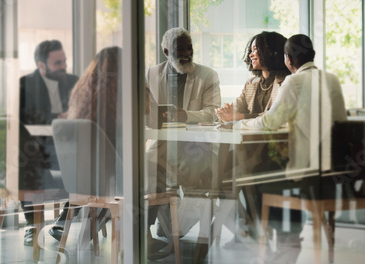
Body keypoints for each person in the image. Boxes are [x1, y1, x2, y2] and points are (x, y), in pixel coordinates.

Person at [218, 34, 347, 262]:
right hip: (331, 166)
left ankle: (282, 239)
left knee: (255, 176)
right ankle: (273, 237)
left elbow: (269, 122)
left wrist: (238, 123)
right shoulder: (332, 79)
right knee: (252, 171)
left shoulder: (292, 81)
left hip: (303, 167)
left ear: (288, 60)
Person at [145, 27, 221, 241]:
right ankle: (148, 230)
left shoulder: (207, 75)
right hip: (163, 143)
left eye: (190, 48)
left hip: (197, 146)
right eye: (180, 50)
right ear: (166, 52)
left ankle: (161, 225)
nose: (187, 53)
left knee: (157, 166)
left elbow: (214, 114)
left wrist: (185, 115)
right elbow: (143, 110)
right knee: (148, 167)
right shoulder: (151, 73)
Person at [19, 40, 78, 246]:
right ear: (41, 65)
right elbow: (24, 125)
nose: (63, 66)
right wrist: (57, 121)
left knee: (93, 167)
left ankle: (61, 222)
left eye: (64, 61)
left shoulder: (74, 82)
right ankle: (31, 226)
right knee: (25, 161)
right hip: (38, 151)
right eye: (57, 63)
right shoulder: (25, 85)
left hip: (70, 150)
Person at [215, 31, 291, 122]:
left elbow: (275, 115)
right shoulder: (250, 83)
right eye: (251, 50)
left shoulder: (287, 82)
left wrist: (241, 117)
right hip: (249, 134)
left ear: (271, 51)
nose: (251, 55)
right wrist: (226, 112)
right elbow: (237, 110)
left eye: (255, 49)